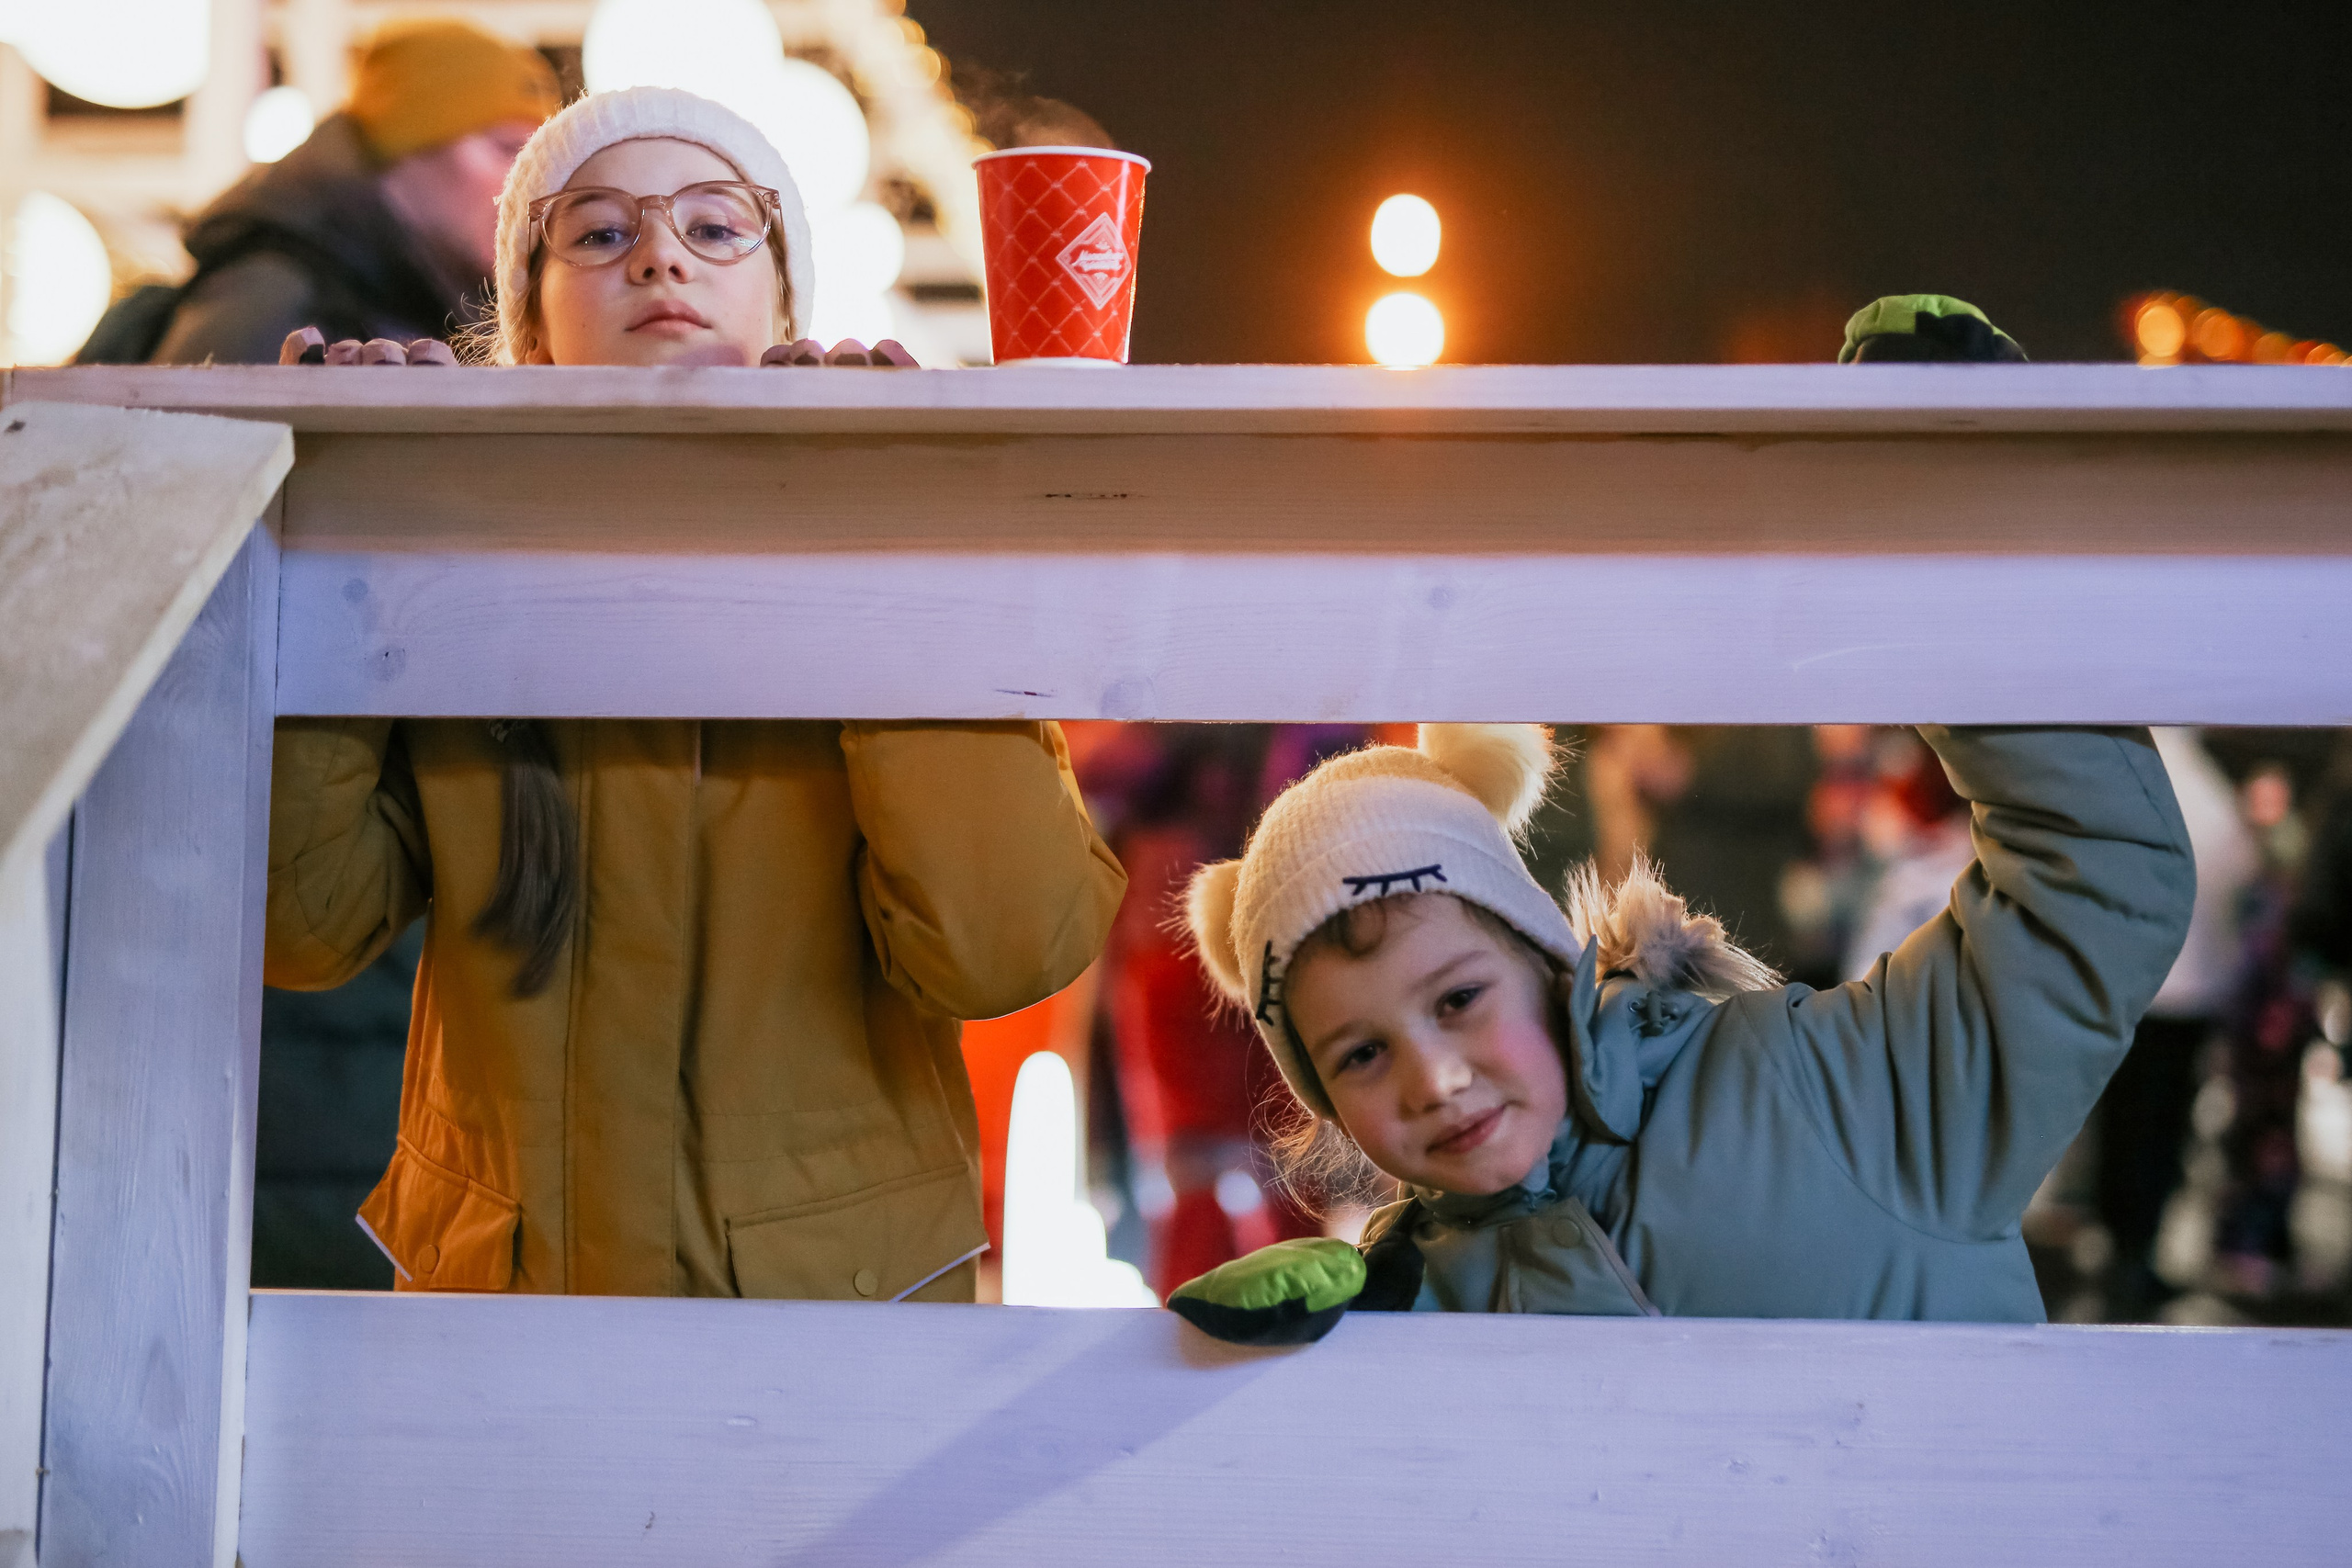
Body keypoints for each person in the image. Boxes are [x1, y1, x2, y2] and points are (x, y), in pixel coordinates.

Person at [263, 86, 1126, 1301]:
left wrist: (888, 547)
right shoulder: (463, 580)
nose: (661, 251)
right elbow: (302, 923)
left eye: (716, 227)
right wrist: (354, 530)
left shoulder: (892, 540)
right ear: (532, 318)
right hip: (501, 1316)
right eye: (600, 232)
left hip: (831, 1318)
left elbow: (1001, 945)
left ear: (785, 298)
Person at [1162, 723, 2190, 1342]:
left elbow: (2094, 882)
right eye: (1360, 1054)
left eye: (1457, 999)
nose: (1432, 1079)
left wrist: (1965, 543)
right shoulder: (1414, 1301)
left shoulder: (1837, 1093)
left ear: (1541, 961)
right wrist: (1285, 1383)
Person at [79, 17, 560, 368]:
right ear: (409, 147)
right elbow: (178, 481)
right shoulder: (275, 298)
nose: (529, 183)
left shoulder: (410, 298)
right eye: (507, 149)